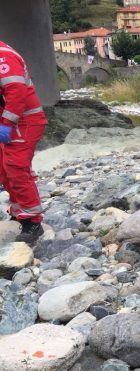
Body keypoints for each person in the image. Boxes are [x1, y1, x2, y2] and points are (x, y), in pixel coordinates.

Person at [0, 40, 47, 243]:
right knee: (5, 169)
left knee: (16, 168)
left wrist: (6, 124)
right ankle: (19, 212)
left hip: (23, 122)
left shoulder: (4, 56)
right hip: (14, 122)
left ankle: (32, 222)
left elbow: (16, 91)